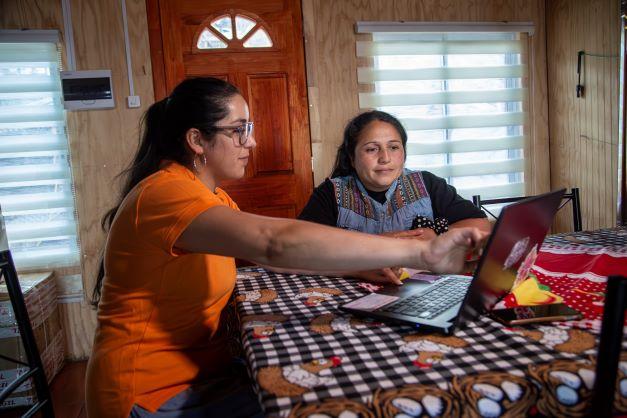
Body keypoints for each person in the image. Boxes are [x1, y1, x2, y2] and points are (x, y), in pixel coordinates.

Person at [85, 78, 486, 418]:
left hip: (205, 372)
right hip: (150, 393)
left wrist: (352, 267)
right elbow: (274, 244)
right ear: (196, 140)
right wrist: (421, 254)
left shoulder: (211, 197)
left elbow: (273, 255)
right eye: (239, 130)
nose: (252, 141)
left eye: (249, 128)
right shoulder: (166, 194)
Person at [298, 110, 491, 283]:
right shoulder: (330, 193)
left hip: (423, 293)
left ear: (404, 153)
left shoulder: (427, 184)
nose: (385, 158)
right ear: (352, 158)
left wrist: (438, 239)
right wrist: (366, 256)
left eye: (393, 147)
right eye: (371, 149)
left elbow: (480, 225)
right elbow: (301, 251)